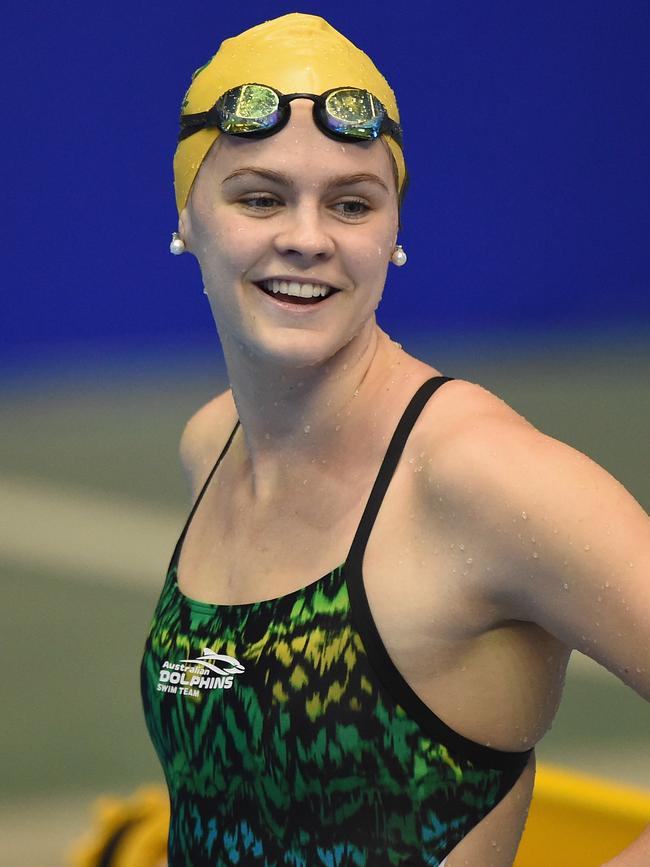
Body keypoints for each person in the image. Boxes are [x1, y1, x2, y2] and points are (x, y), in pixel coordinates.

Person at [140, 12, 649, 866]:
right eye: (260, 197)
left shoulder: (477, 475)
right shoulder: (213, 444)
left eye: (351, 203)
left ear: (392, 232)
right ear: (188, 215)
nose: (307, 236)